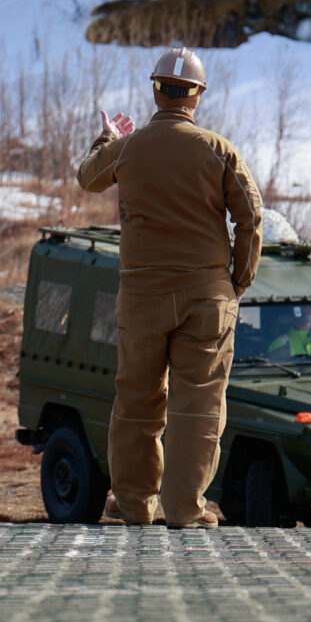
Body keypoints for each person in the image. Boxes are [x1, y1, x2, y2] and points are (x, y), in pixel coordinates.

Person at [76, 48, 264, 528]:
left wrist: (108, 138)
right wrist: (237, 280)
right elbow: (251, 216)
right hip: (207, 298)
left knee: (137, 400)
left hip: (141, 298)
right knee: (198, 405)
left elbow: (88, 177)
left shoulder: (129, 147)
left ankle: (135, 505)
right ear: (198, 96)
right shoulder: (219, 150)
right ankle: (186, 510)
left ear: (155, 89)